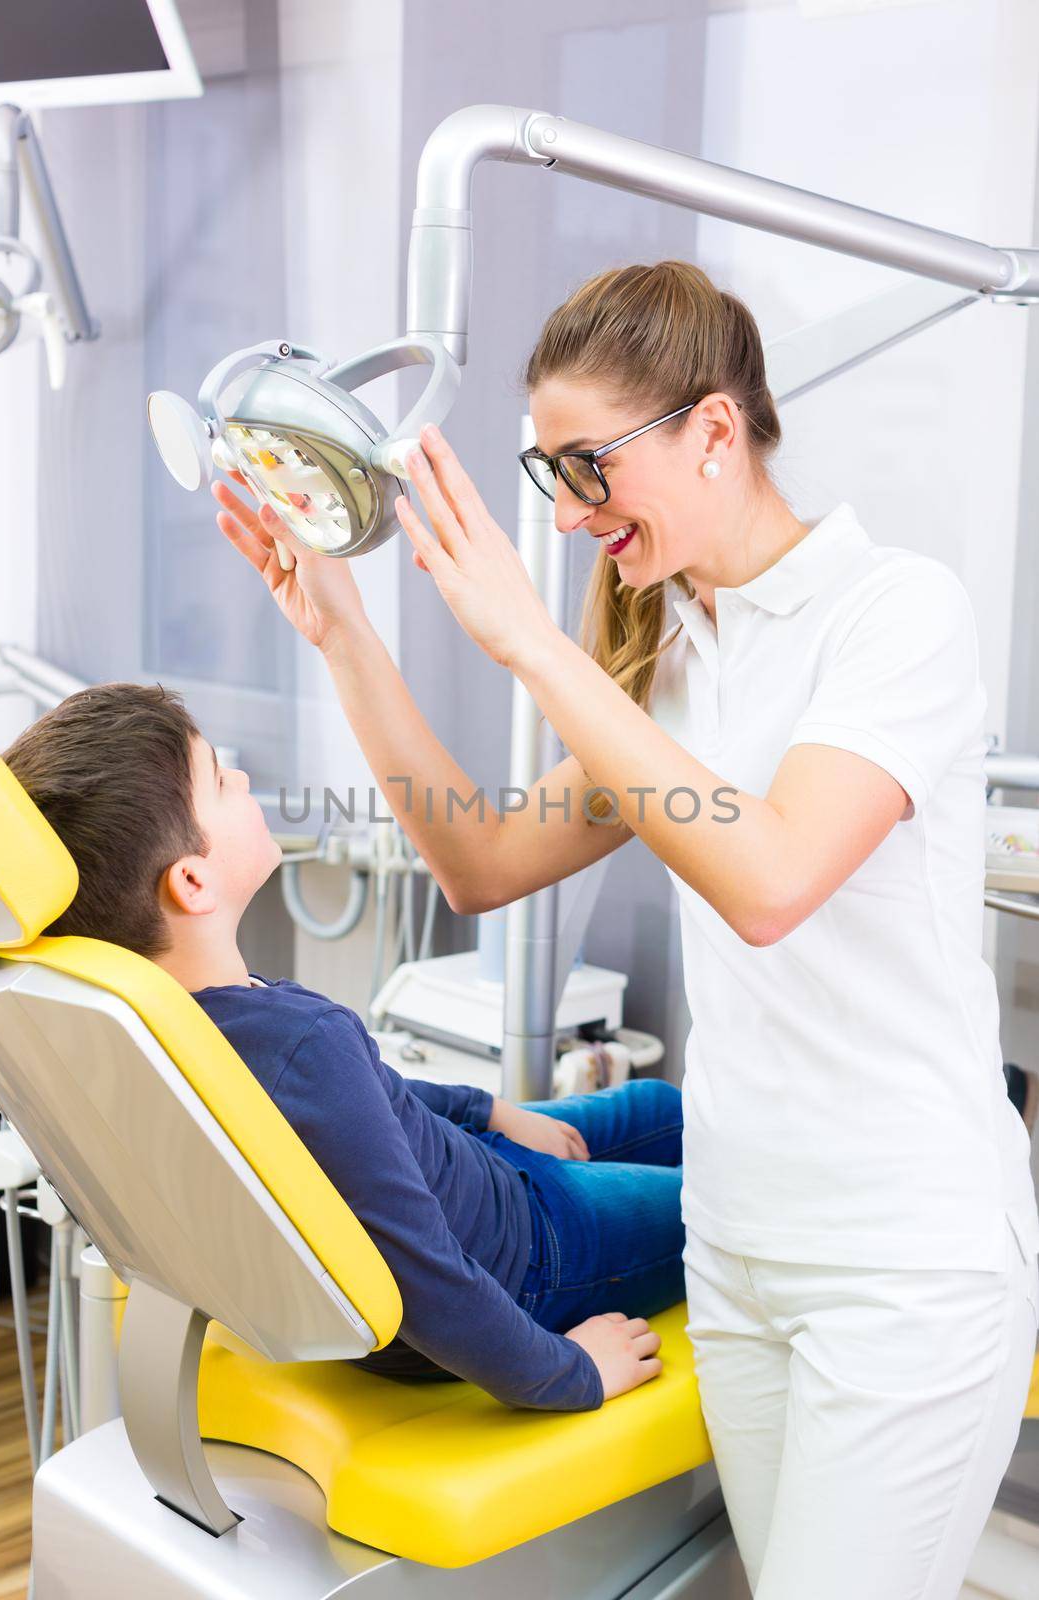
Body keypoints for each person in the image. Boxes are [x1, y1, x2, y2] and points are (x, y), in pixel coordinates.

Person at [212, 259, 1039, 1600]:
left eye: (586, 463)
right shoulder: (672, 658)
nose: (573, 508)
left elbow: (768, 881)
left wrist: (534, 648)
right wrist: (343, 636)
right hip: (738, 1238)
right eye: (552, 475)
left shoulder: (893, 614)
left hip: (900, 1259)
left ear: (713, 430)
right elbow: (477, 858)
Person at [2, 682, 684, 1413]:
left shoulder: (167, 1029)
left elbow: (364, 1101)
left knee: (660, 1108)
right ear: (192, 882)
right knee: (726, 1210)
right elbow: (424, 1271)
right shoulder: (300, 1044)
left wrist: (486, 1108)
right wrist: (570, 1373)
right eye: (221, 782)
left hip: (481, 1175)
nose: (245, 783)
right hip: (529, 1258)